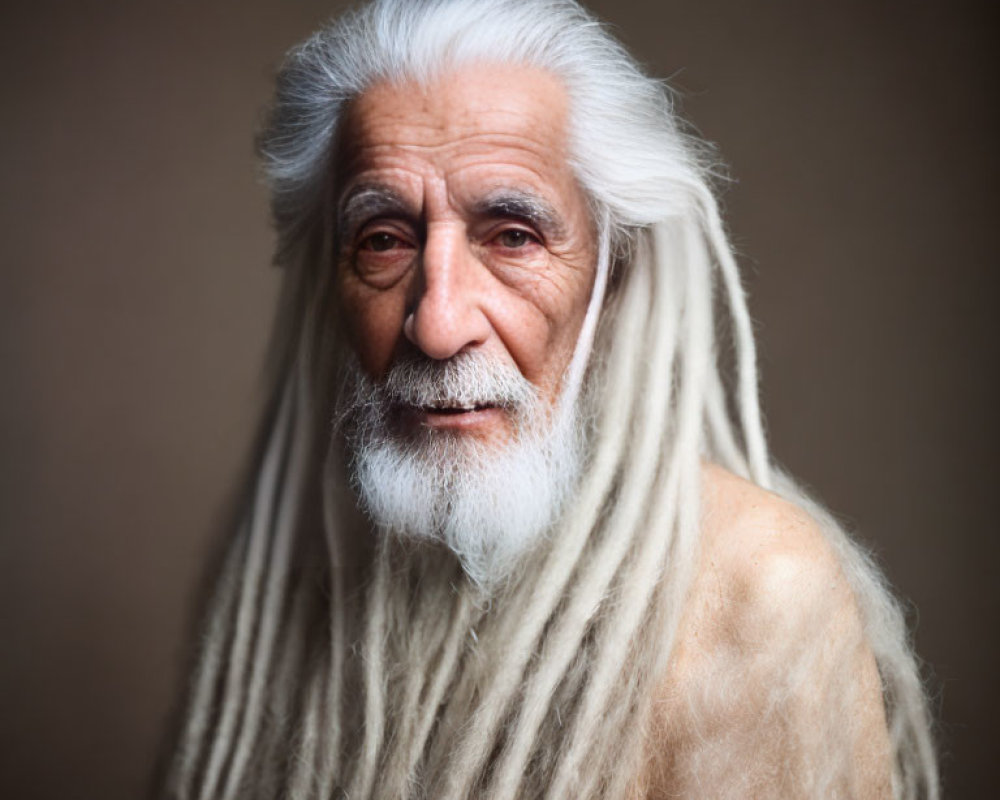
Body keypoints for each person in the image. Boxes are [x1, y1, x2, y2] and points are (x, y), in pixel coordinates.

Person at [164, 1, 938, 797]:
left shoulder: (758, 595)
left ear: (616, 270)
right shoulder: (326, 573)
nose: (437, 324)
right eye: (385, 239)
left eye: (512, 236)